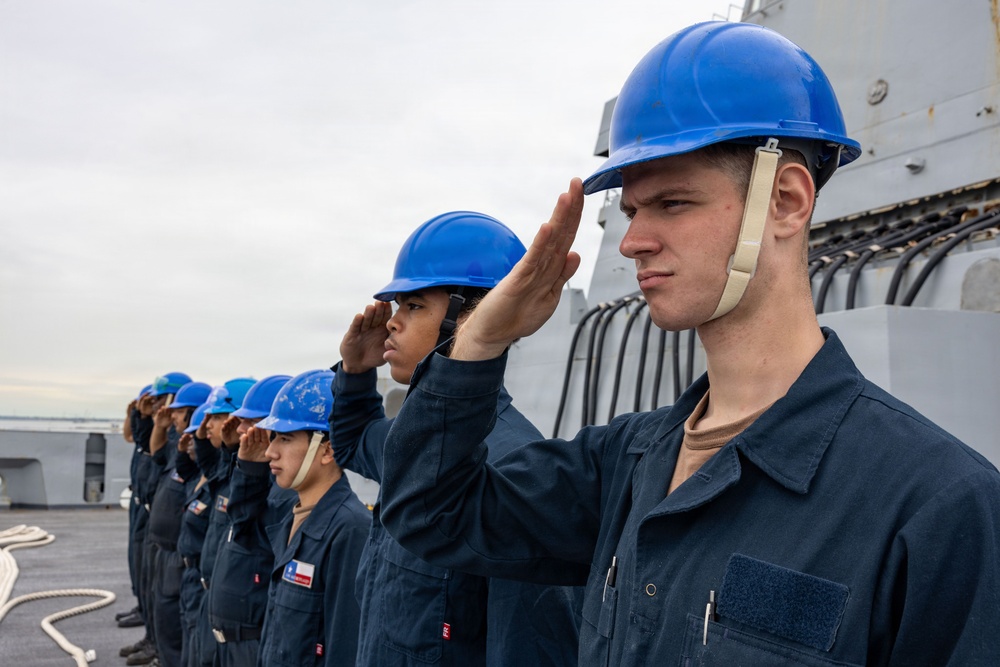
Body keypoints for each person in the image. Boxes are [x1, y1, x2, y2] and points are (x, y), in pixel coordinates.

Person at [376, 22, 1000, 666]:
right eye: (631, 212)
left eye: (672, 203)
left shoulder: (939, 507)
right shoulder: (627, 464)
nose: (632, 241)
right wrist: (478, 340)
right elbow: (429, 513)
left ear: (785, 200)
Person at [330, 211, 583, 667]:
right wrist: (355, 371)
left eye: (414, 306)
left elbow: (528, 648)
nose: (392, 321)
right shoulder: (414, 442)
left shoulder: (513, 465)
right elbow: (351, 444)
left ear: (474, 317)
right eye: (397, 306)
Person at [240, 369, 369, 667]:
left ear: (328, 450)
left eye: (284, 438)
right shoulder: (291, 518)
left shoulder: (350, 530)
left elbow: (345, 649)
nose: (270, 452)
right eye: (273, 438)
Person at [208, 375, 296, 667]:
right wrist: (237, 458)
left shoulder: (284, 495)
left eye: (249, 422)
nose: (239, 427)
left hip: (252, 641)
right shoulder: (255, 478)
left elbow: (250, 535)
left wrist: (249, 468)